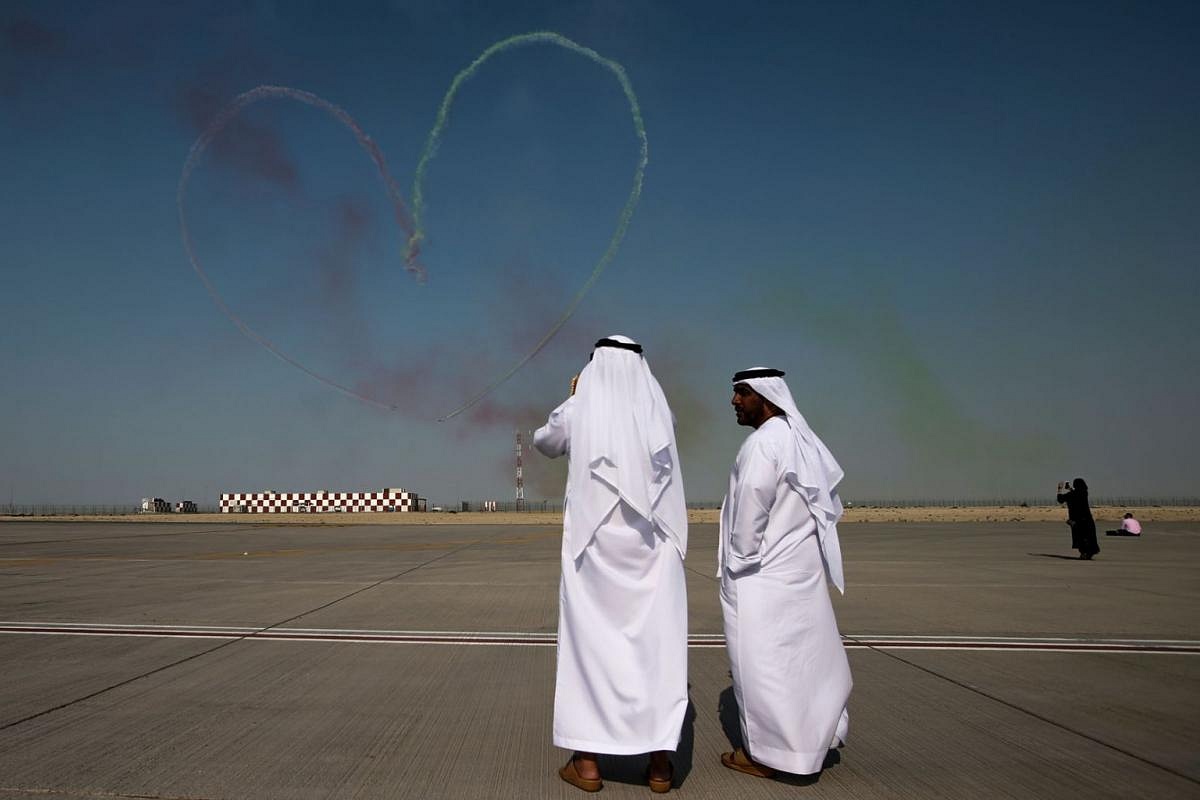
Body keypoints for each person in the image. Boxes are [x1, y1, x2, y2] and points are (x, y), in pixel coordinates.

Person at [534, 335, 688, 794]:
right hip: (654, 552)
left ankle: (587, 764)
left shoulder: (579, 408)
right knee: (656, 652)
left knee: (589, 650)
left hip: (593, 550)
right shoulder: (658, 410)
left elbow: (546, 442)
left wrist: (577, 394)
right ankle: (660, 766)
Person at [717, 367, 852, 779]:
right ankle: (816, 739)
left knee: (763, 666)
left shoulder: (763, 444)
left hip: (762, 577)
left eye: (742, 393)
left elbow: (750, 511)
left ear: (766, 397)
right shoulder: (802, 440)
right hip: (800, 575)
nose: (735, 401)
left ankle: (768, 755)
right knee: (808, 662)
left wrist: (737, 566)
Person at [1056, 478, 1100, 559]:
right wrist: (1069, 488)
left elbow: (1060, 499)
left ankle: (1084, 553)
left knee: (1080, 537)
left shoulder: (1071, 495)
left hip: (1077, 520)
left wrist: (1059, 489)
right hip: (1088, 519)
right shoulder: (1084, 493)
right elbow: (1077, 492)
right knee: (1090, 536)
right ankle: (1089, 552)